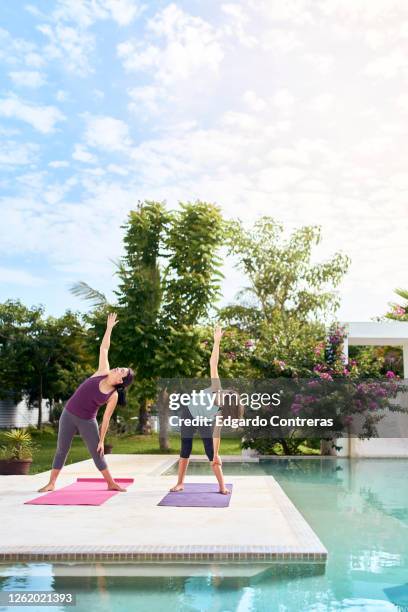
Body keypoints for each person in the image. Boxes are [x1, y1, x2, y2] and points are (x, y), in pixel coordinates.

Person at [38, 313, 134, 493]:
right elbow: (104, 348)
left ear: (121, 380)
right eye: (120, 367)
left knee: (97, 452)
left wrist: (102, 440)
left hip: (87, 421)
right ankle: (51, 483)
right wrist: (109, 328)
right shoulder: (102, 371)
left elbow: (105, 419)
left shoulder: (113, 395)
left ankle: (111, 483)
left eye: (122, 370)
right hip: (68, 414)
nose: (117, 368)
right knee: (61, 449)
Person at [170, 325, 243, 495]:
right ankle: (180, 483)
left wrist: (216, 454)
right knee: (185, 448)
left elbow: (216, 434)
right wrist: (217, 342)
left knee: (211, 452)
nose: (222, 392)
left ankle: (222, 486)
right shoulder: (216, 386)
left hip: (203, 420)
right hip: (188, 413)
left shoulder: (219, 414)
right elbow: (213, 363)